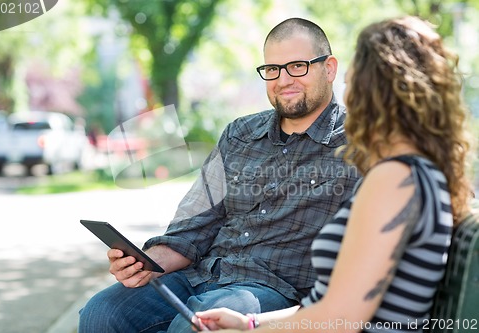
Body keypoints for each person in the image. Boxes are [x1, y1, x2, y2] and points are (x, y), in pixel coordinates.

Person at [78, 17, 360, 333]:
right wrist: (145, 264)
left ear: (329, 68)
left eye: (297, 66)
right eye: (272, 70)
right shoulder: (239, 134)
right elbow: (193, 227)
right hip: (202, 276)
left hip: (272, 293)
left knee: (193, 327)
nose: (283, 80)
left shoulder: (358, 145)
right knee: (101, 313)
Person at [196, 16, 473, 333]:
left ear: (372, 91)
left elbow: (342, 318)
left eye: (353, 78)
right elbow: (334, 305)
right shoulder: (415, 173)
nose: (346, 89)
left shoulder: (395, 179)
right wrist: (250, 323)